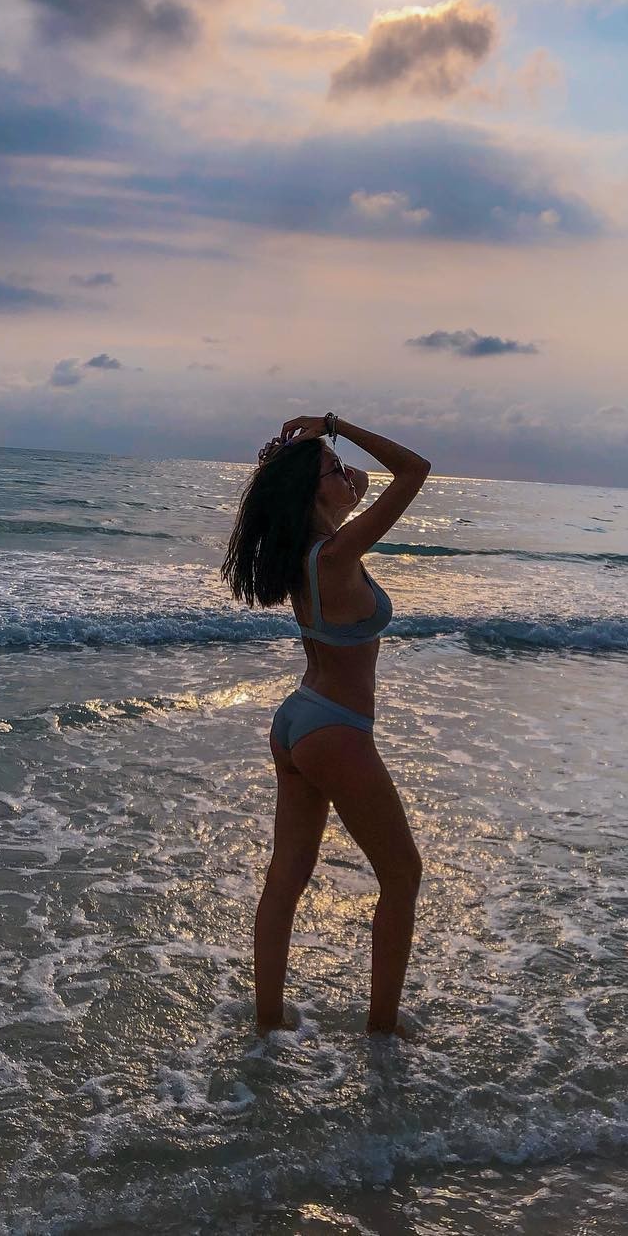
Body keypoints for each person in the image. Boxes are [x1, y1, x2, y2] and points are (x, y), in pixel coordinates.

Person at [221, 412, 431, 1039]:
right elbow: (413, 470)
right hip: (337, 729)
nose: (349, 475)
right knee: (402, 875)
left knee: (286, 878)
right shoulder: (337, 554)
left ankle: (268, 1023)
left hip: (299, 720)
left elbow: (359, 486)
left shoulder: (308, 553)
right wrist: (334, 426)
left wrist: (322, 462)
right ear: (311, 493)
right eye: (334, 471)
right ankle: (383, 1031)